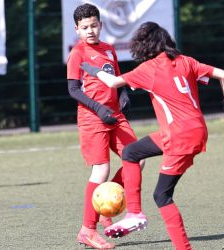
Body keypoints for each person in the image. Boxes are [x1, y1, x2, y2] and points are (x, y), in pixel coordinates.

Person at [80, 21, 224, 249]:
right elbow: (223, 75)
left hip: (179, 137)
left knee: (162, 196)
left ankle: (159, 230)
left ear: (145, 46)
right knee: (131, 152)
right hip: (194, 131)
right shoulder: (186, 61)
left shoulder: (149, 69)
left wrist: (93, 70)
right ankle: (134, 212)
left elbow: (114, 82)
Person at [67, 4, 144, 249]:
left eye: (93, 25)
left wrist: (122, 96)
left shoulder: (109, 50)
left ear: (100, 25)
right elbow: (73, 89)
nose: (90, 31)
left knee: (138, 158)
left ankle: (104, 202)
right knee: (101, 170)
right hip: (93, 118)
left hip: (115, 116)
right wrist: (99, 108)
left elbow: (116, 81)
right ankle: (87, 230)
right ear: (77, 29)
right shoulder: (78, 53)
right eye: (84, 27)